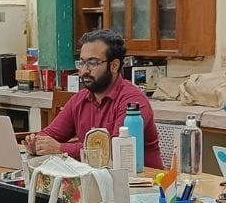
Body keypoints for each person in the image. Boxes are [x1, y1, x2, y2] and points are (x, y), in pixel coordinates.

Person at [24, 30, 162, 168]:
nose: (84, 71)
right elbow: (51, 134)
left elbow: (114, 151)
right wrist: (36, 143)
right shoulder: (80, 99)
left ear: (114, 66)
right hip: (96, 176)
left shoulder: (133, 101)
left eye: (92, 63)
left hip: (142, 179)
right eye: (82, 63)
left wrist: (61, 148)